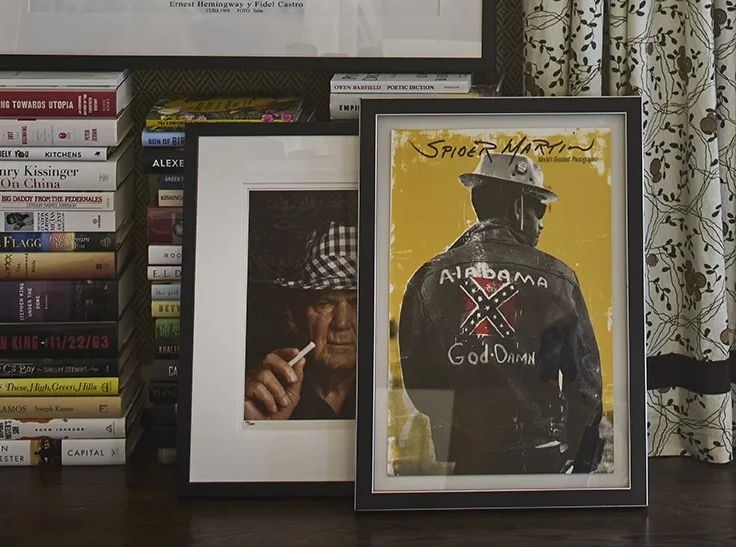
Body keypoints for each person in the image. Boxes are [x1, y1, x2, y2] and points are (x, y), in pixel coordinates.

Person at [396, 148, 605, 476]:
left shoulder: (428, 278)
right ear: (518, 207)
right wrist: (575, 458)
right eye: (539, 210)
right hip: (543, 460)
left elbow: (420, 385)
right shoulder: (559, 278)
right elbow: (587, 389)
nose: (541, 223)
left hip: (468, 460)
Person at [243, 219, 357, 421]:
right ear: (294, 316)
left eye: (356, 304)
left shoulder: (392, 395)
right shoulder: (269, 395)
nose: (341, 323)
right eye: (325, 303)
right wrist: (257, 428)